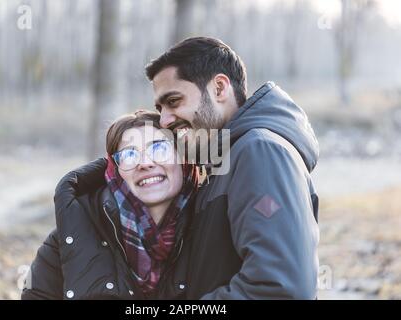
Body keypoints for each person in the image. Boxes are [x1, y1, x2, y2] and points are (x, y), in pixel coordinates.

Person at [52, 37, 320, 300]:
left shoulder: (260, 151)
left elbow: (281, 289)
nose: (165, 120)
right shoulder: (224, 159)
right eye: (160, 107)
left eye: (174, 101)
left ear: (219, 88)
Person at [21, 110, 198, 299]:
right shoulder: (72, 232)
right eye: (129, 155)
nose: (145, 163)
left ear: (183, 158)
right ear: (115, 171)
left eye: (159, 148)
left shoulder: (211, 223)